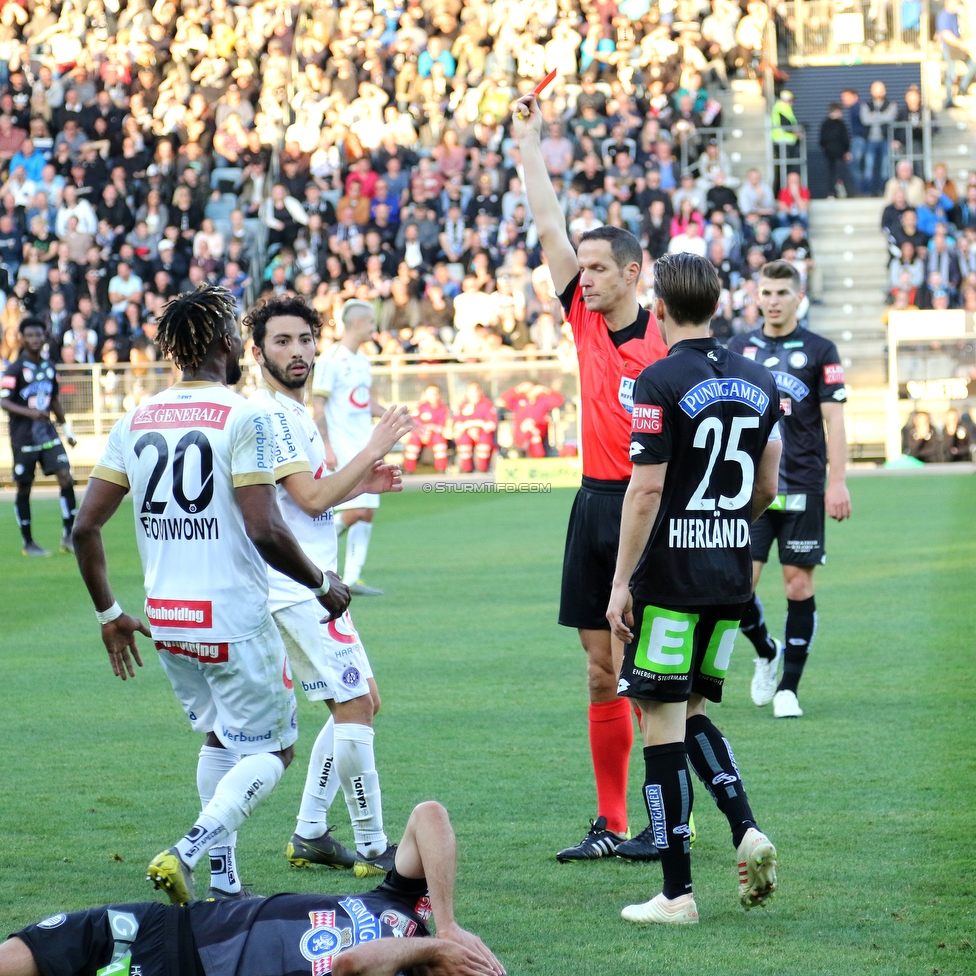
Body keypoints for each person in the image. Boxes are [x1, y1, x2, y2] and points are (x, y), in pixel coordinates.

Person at [72, 286, 351, 906]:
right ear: (228, 342)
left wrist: (109, 613)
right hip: (232, 617)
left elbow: (84, 527)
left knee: (222, 740)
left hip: (166, 620)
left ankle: (224, 883)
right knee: (275, 749)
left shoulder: (135, 418)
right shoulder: (241, 414)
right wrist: (321, 583)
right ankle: (190, 849)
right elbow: (264, 526)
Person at [513, 88, 669, 863]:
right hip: (592, 504)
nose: (589, 276)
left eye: (603, 267)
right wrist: (529, 146)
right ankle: (611, 823)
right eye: (588, 266)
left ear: (634, 272)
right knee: (598, 666)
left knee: (645, 671)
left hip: (647, 511)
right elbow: (547, 224)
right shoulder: (580, 315)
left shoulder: (663, 347)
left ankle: (667, 815)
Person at [606, 251, 782, 925]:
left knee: (660, 725)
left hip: (672, 579)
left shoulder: (657, 380)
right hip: (731, 580)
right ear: (717, 303)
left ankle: (676, 893)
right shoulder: (761, 379)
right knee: (695, 712)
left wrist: (622, 581)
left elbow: (647, 487)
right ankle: (744, 828)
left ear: (658, 305)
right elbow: (767, 486)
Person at [246, 296, 414, 879]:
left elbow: (311, 496)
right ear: (258, 350)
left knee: (362, 701)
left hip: (313, 583)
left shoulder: (292, 415)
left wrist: (360, 481)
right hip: (297, 587)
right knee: (354, 705)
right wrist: (373, 447)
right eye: (281, 341)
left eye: (303, 340)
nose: (296, 351)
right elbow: (310, 500)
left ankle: (312, 832)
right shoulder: (269, 415)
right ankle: (372, 847)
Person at [0, 801, 506, 976]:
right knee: (36, 948)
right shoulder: (402, 907)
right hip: (176, 924)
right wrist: (447, 924)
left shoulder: (395, 961)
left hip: (193, 967)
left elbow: (352, 963)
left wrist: (431, 948)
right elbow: (429, 816)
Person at [728, 262, 852, 718]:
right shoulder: (738, 347)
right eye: (766, 291)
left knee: (797, 584)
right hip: (749, 487)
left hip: (802, 485)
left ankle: (789, 689)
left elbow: (834, 421)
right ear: (756, 297)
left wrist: (836, 480)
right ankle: (765, 650)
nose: (773, 299)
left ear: (798, 297)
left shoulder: (821, 350)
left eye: (782, 292)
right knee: (737, 583)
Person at [312, 300, 388, 596]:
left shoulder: (363, 360)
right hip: (341, 446)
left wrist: (397, 416)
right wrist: (327, 446)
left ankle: (352, 578)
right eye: (371, 322)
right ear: (357, 324)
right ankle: (308, 554)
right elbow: (318, 405)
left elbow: (365, 401)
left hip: (363, 445)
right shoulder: (330, 360)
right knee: (355, 510)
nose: (374, 327)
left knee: (367, 512)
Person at [1, 316, 78, 556]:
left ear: (44, 337)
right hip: (23, 438)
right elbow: (3, 400)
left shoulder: (49, 366)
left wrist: (68, 431)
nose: (35, 339)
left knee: (65, 476)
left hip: (48, 434)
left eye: (38, 335)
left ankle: (69, 536)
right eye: (30, 335)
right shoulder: (14, 369)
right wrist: (30, 413)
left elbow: (54, 399)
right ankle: (28, 543)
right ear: (22, 339)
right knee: (25, 487)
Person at [404, 384, 451, 473]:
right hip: (421, 433)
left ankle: (441, 469)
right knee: (413, 442)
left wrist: (430, 429)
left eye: (434, 393)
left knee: (440, 442)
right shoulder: (420, 407)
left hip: (435, 434)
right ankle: (408, 470)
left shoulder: (443, 408)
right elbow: (415, 423)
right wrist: (423, 433)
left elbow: (441, 427)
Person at [454, 381, 498, 473]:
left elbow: (492, 424)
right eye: (470, 391)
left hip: (482, 433)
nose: (473, 394)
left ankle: (482, 469)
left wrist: (478, 425)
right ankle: (466, 470)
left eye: (475, 391)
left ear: (480, 392)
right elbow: (457, 424)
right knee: (463, 441)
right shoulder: (462, 406)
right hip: (466, 433)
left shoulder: (486, 404)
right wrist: (468, 427)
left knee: (484, 440)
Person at [818, 104, 850, 199]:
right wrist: (846, 150)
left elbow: (821, 139)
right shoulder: (841, 124)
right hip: (839, 152)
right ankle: (840, 189)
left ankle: (831, 193)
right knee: (839, 172)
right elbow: (845, 139)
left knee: (830, 172)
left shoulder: (824, 124)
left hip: (828, 152)